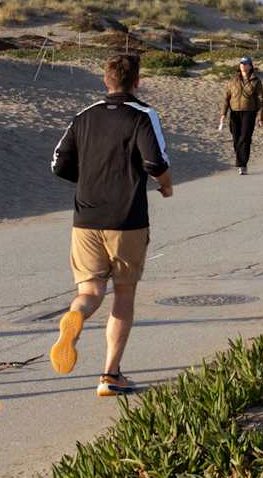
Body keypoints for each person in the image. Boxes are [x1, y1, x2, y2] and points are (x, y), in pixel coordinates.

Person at [49, 55, 173, 398]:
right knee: (124, 292)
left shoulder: (83, 116)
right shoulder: (143, 115)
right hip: (127, 219)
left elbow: (58, 164)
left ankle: (75, 317)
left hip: (86, 219)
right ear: (137, 82)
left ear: (106, 81)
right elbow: (154, 161)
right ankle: (110, 373)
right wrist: (166, 184)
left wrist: (88, 179)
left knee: (89, 292)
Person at [219, 56, 263, 175]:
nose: (243, 66)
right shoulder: (232, 80)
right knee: (236, 138)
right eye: (241, 64)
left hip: (249, 112)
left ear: (250, 66)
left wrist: (260, 117)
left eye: (245, 64)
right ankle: (240, 159)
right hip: (234, 112)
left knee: (245, 138)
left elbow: (260, 100)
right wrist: (223, 113)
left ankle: (242, 165)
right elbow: (226, 98)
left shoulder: (256, 81)